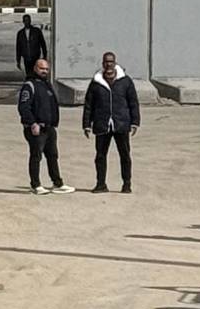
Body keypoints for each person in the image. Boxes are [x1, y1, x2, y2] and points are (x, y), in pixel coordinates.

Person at [82, 51, 141, 192]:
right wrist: (86, 124)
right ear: (103, 64)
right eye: (106, 62)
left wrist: (135, 122)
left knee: (125, 155)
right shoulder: (96, 82)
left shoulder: (125, 81)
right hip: (102, 124)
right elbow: (89, 104)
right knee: (100, 156)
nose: (109, 64)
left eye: (111, 62)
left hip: (121, 124)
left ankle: (127, 184)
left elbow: (133, 102)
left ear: (115, 63)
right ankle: (101, 184)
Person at [17, 57, 72, 194]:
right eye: (42, 68)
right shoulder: (29, 85)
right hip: (36, 128)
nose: (44, 71)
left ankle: (57, 183)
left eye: (47, 69)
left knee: (53, 156)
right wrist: (32, 123)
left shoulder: (47, 85)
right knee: (36, 156)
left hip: (49, 128)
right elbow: (24, 107)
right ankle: (35, 185)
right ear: (35, 68)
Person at [15, 13, 46, 78]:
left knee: (36, 73)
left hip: (35, 56)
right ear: (23, 22)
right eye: (25, 21)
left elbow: (42, 43)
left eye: (28, 20)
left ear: (30, 21)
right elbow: (18, 47)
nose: (27, 22)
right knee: (29, 74)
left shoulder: (37, 31)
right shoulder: (20, 33)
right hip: (26, 57)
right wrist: (18, 60)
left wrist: (44, 55)